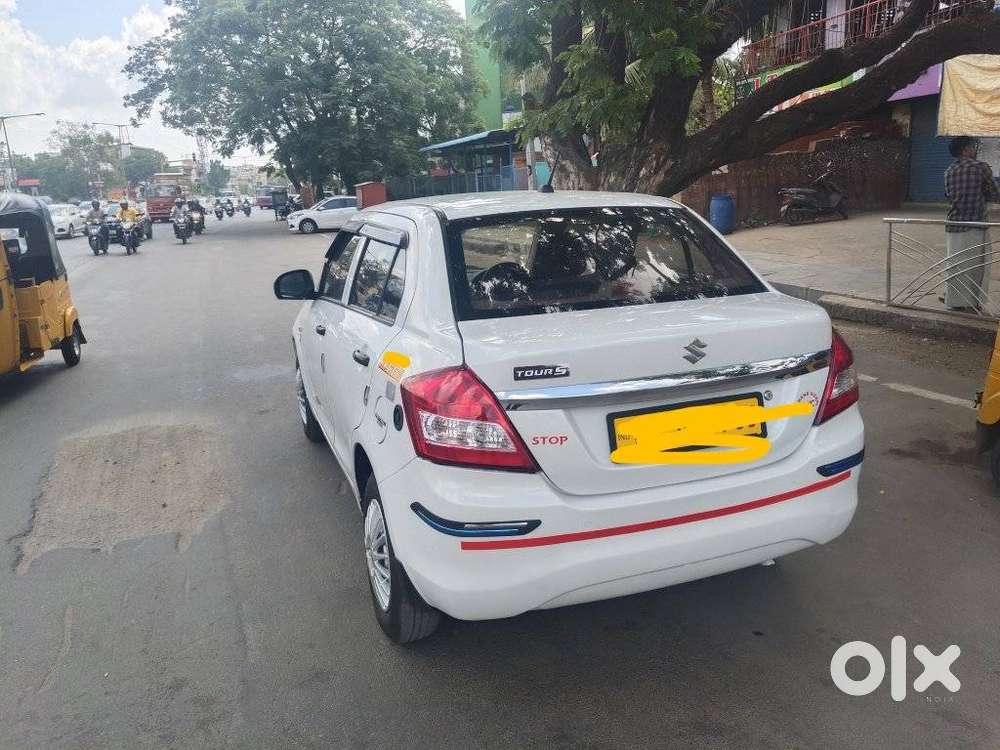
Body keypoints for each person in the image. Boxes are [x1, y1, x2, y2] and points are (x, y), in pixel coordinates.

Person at [943, 136, 1000, 311]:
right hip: (975, 223)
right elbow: (994, 195)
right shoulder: (981, 168)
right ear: (966, 149)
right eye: (973, 147)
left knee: (956, 264)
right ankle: (972, 303)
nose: (975, 150)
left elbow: (948, 195)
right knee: (976, 265)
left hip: (953, 224)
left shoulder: (949, 171)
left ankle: (954, 302)